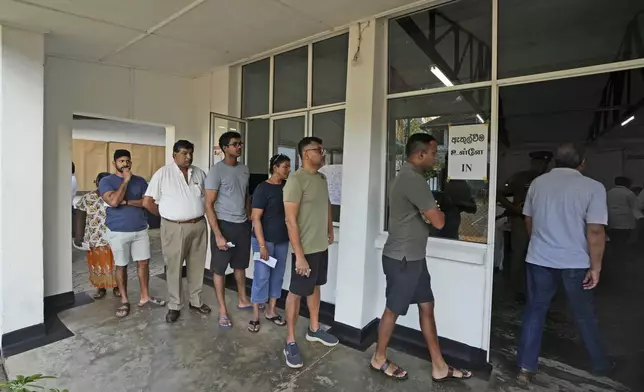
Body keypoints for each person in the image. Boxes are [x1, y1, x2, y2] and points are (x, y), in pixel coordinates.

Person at [370, 133, 471, 382]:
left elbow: (426, 216)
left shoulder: (405, 178)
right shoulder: (412, 180)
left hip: (414, 258)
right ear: (420, 154)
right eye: (434, 153)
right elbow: (438, 221)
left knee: (427, 306)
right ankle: (378, 358)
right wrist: (439, 208)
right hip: (403, 259)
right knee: (393, 310)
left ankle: (439, 366)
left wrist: (429, 210)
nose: (436, 158)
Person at [516, 144, 611, 388]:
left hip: (539, 259)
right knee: (584, 313)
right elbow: (596, 230)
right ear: (582, 162)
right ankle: (600, 364)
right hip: (576, 262)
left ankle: (525, 369)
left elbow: (529, 219)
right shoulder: (593, 187)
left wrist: (539, 243)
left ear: (555, 162)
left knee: (535, 311)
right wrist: (596, 267)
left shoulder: (538, 183)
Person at [283, 136, 338, 369]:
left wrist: (329, 228)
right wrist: (300, 255)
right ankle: (290, 341)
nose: (323, 153)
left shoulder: (322, 178)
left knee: (316, 286)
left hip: (320, 246)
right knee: (296, 292)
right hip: (303, 250)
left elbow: (325, 204)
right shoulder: (295, 181)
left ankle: (314, 328)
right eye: (319, 150)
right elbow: (290, 220)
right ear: (306, 154)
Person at [143, 140, 211, 323]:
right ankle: (174, 305)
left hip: (199, 225)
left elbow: (207, 198)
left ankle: (196, 302)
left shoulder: (199, 173)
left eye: (190, 153)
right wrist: (166, 217)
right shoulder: (163, 173)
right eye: (183, 153)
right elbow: (147, 201)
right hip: (174, 227)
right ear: (174, 155)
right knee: (174, 267)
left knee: (197, 265)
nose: (188, 157)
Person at [99, 149, 166, 318]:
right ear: (114, 163)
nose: (125, 164)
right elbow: (113, 201)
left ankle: (145, 296)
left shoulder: (141, 181)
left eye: (128, 160)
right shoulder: (106, 181)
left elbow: (146, 202)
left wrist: (127, 201)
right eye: (121, 161)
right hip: (118, 231)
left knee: (143, 263)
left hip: (140, 229)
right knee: (121, 265)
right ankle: (124, 300)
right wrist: (126, 181)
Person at [205, 131, 252, 329]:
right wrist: (218, 234)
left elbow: (246, 195)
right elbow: (208, 204)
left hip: (242, 225)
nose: (239, 147)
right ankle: (223, 310)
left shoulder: (244, 169)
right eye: (235, 144)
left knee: (240, 265)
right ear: (224, 148)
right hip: (223, 225)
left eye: (240, 144)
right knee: (220, 269)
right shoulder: (216, 171)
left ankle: (242, 299)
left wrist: (249, 217)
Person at [497, 150, 552, 302]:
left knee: (543, 255)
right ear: (532, 162)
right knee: (519, 254)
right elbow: (500, 193)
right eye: (537, 162)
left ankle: (540, 289)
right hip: (521, 220)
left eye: (543, 162)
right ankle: (517, 289)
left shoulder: (550, 179)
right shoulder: (520, 177)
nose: (540, 165)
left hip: (545, 221)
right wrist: (514, 208)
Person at [247, 154, 291, 333]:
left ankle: (271, 311)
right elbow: (255, 218)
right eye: (285, 167)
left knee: (278, 276)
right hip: (263, 241)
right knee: (262, 276)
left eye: (289, 167)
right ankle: (256, 315)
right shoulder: (262, 189)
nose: (288, 170)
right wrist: (262, 245)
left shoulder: (287, 188)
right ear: (275, 168)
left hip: (282, 240)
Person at [74, 172, 119, 299]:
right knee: (97, 265)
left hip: (113, 237)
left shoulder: (115, 197)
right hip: (95, 238)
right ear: (97, 183)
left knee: (116, 264)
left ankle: (117, 287)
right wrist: (78, 237)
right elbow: (80, 218)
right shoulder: (88, 198)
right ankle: (101, 289)